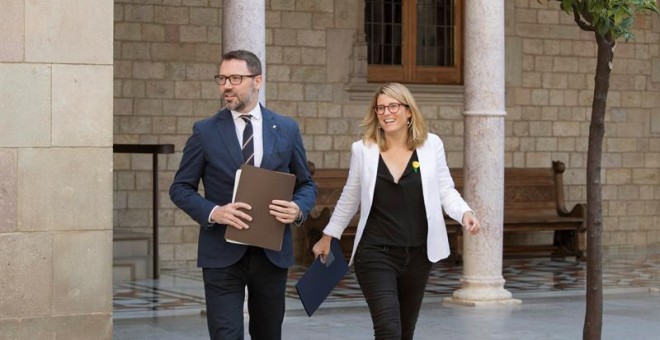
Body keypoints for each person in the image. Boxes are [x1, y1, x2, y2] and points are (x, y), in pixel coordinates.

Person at [312, 83, 480, 340]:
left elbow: (445, 189)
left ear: (409, 111)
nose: (386, 113)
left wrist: (464, 212)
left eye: (393, 106)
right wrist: (328, 236)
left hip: (418, 255)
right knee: (388, 330)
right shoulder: (363, 149)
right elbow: (350, 196)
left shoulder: (431, 145)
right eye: (380, 108)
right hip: (375, 253)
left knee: (404, 331)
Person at [169, 49, 316, 340]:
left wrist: (298, 209)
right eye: (222, 78)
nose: (226, 85)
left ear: (257, 80)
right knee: (226, 335)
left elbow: (307, 184)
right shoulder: (205, 131)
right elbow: (180, 188)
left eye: (235, 78)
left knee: (268, 334)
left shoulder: (286, 129)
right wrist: (214, 212)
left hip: (270, 254)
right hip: (221, 254)